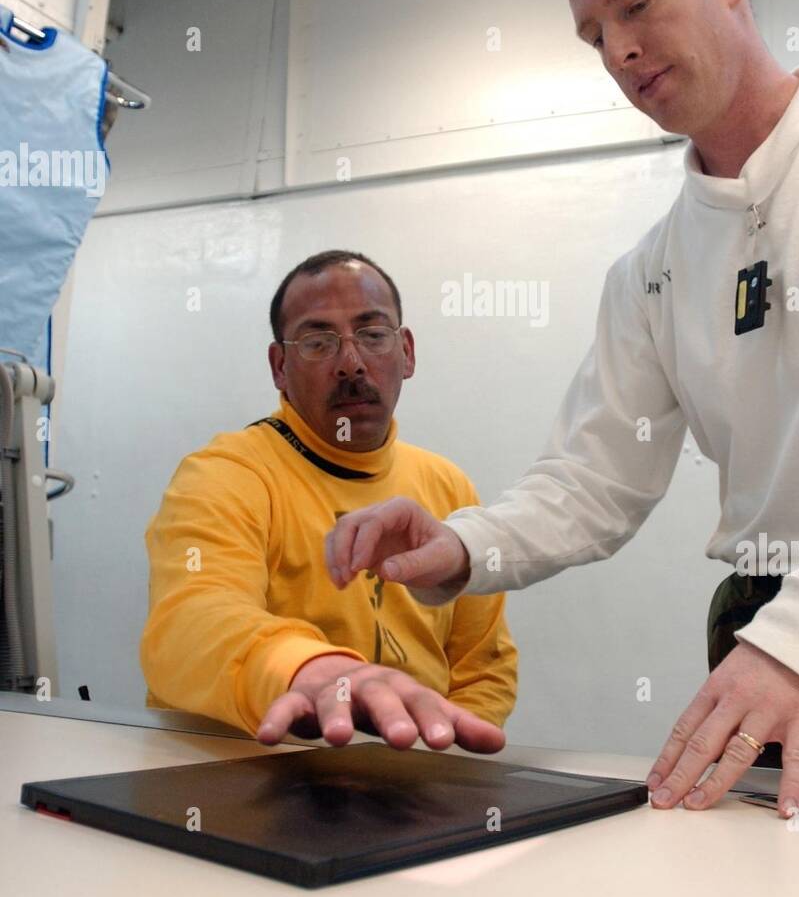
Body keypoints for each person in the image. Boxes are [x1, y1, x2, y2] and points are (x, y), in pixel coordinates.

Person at [324, 0, 799, 816]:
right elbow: (593, 484)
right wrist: (464, 544)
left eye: (637, 5)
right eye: (595, 36)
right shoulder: (650, 275)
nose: (622, 49)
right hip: (762, 631)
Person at [141, 250, 517, 753]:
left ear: (406, 352)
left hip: (414, 777)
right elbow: (190, 620)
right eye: (317, 342)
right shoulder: (225, 475)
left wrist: (436, 759)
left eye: (373, 334)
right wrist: (307, 667)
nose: (351, 363)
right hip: (253, 775)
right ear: (279, 366)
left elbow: (481, 664)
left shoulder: (447, 484)